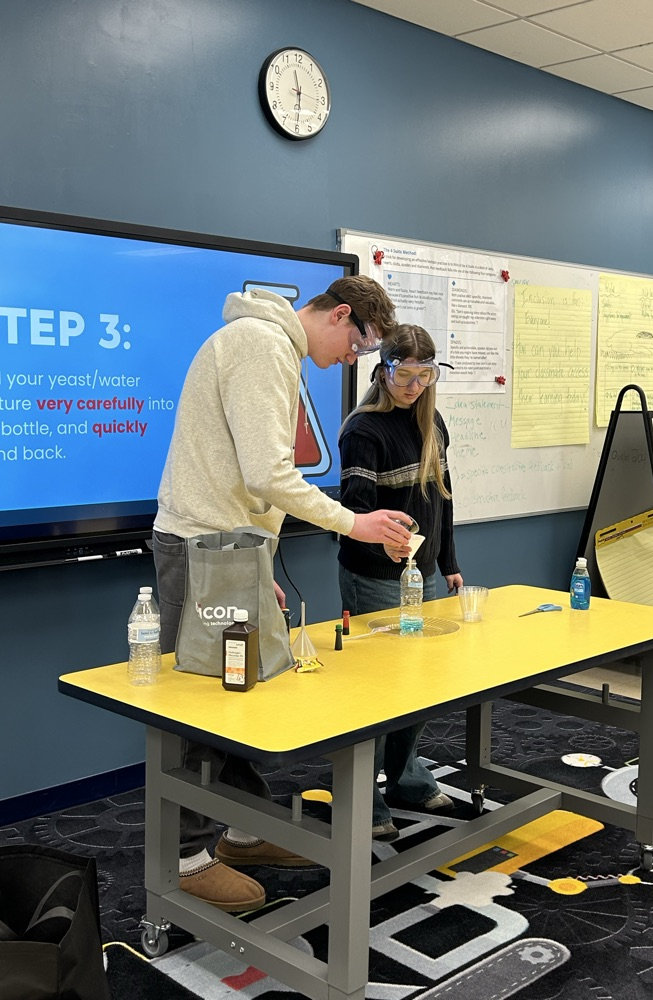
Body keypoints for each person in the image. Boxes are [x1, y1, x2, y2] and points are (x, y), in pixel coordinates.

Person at [152, 276, 414, 911]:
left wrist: (254, 560)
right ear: (341, 314)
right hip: (200, 548)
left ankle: (245, 831)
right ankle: (184, 861)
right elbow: (267, 473)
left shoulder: (273, 346)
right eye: (360, 344)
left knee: (240, 692)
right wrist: (355, 523)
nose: (352, 359)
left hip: (228, 549)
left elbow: (248, 475)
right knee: (200, 703)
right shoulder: (261, 344)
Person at [337, 324, 464, 841]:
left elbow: (443, 500)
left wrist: (449, 561)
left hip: (425, 574)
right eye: (403, 374)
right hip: (375, 578)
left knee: (416, 685)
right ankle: (363, 800)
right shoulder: (363, 430)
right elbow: (352, 514)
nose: (414, 386)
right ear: (382, 370)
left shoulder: (433, 423)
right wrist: (383, 546)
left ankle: (406, 779)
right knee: (376, 691)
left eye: (424, 375)